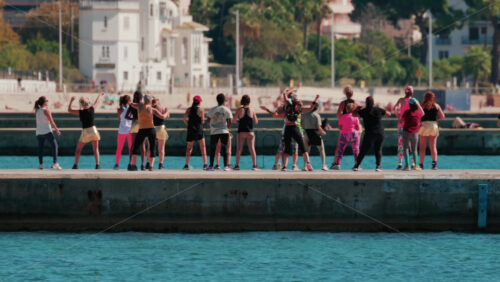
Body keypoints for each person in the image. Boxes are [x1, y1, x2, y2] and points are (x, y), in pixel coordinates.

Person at [263, 89, 318, 171]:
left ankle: (284, 166)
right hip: (295, 128)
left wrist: (289, 91)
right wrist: (315, 100)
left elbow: (284, 96)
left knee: (287, 148)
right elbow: (310, 108)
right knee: (302, 147)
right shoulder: (299, 108)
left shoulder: (287, 107)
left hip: (288, 128)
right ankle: (308, 164)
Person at [353, 96, 391, 172]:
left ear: (366, 103)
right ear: (373, 102)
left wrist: (359, 108)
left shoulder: (364, 111)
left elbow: (354, 114)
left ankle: (356, 166)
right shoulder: (378, 109)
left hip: (369, 133)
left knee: (363, 150)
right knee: (378, 149)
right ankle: (378, 166)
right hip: (380, 132)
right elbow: (388, 114)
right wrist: (381, 109)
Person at [68, 93, 104, 169]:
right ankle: (97, 165)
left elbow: (69, 110)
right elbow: (97, 102)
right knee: (96, 149)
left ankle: (76, 165)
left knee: (78, 149)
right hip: (93, 130)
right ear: (88, 103)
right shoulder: (92, 109)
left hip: (86, 132)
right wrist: (100, 95)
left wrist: (71, 101)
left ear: (82, 104)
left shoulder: (80, 112)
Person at [128, 95, 163, 171]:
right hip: (151, 129)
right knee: (152, 147)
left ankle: (134, 165)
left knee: (136, 146)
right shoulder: (152, 109)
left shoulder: (139, 107)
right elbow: (162, 116)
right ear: (150, 101)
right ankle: (151, 166)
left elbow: (131, 104)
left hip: (142, 129)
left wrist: (134, 101)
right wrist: (166, 113)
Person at [260, 105, 300, 170]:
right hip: (294, 132)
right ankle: (294, 165)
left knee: (281, 149)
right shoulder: (295, 112)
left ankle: (275, 165)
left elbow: (275, 115)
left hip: (286, 132)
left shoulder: (286, 113)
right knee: (294, 149)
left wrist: (267, 109)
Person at [332, 86, 359, 168]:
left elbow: (338, 114)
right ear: (352, 93)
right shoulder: (356, 103)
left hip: (344, 128)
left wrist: (342, 120)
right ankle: (357, 164)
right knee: (356, 148)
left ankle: (336, 163)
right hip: (354, 127)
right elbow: (358, 113)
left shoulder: (342, 103)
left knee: (339, 147)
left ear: (345, 93)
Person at [206, 93, 233, 171]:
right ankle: (226, 166)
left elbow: (208, 119)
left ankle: (211, 166)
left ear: (217, 100)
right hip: (224, 130)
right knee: (224, 148)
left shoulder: (213, 109)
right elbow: (230, 120)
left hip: (214, 131)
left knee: (213, 148)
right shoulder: (227, 109)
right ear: (224, 100)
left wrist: (212, 125)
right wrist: (227, 127)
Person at [418, 92, 445, 170]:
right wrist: (436, 119)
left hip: (424, 126)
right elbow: (443, 116)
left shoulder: (422, 106)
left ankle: (421, 165)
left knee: (422, 147)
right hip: (433, 126)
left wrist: (419, 123)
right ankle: (434, 165)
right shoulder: (437, 106)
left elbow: (418, 117)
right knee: (433, 147)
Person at [34, 96, 61, 170]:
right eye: (47, 100)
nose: (48, 101)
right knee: (55, 145)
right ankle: (55, 163)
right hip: (47, 131)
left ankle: (41, 165)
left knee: (40, 148)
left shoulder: (37, 110)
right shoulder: (46, 110)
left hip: (39, 132)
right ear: (44, 102)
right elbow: (52, 122)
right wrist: (57, 130)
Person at [233, 95, 259, 170]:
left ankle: (237, 166)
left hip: (241, 132)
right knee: (252, 149)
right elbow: (256, 122)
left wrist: (239, 121)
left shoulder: (239, 110)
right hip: (250, 132)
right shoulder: (252, 110)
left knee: (239, 149)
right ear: (249, 101)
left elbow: (234, 121)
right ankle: (254, 166)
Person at [183, 95, 207, 170]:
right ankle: (205, 164)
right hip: (199, 129)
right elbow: (202, 121)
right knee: (203, 148)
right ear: (199, 102)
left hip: (191, 130)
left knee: (189, 148)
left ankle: (186, 165)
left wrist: (188, 124)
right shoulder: (201, 110)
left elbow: (184, 118)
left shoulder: (189, 109)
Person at [301, 101, 327, 170]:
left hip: (306, 133)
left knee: (306, 151)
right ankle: (324, 165)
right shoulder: (316, 115)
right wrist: (323, 132)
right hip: (315, 134)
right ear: (317, 107)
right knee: (321, 150)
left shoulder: (304, 115)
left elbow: (300, 125)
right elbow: (318, 127)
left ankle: (305, 166)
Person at [394, 85, 415, 169]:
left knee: (401, 145)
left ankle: (400, 163)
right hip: (411, 125)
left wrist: (398, 116)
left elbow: (394, 108)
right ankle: (413, 163)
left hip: (401, 125)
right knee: (412, 144)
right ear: (412, 92)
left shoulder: (401, 100)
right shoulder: (413, 101)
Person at [400, 98, 424, 171]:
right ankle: (416, 166)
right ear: (416, 105)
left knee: (406, 149)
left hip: (406, 131)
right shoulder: (418, 113)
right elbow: (423, 113)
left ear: (410, 105)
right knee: (414, 149)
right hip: (415, 133)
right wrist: (418, 104)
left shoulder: (406, 112)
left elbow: (401, 121)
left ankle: (407, 166)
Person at [125, 91, 146, 170]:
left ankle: (131, 163)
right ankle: (143, 164)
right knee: (142, 146)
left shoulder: (132, 105)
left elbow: (127, 116)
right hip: (142, 125)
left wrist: (133, 118)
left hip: (134, 125)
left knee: (133, 145)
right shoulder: (142, 105)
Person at [114, 95, 132, 170]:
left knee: (119, 148)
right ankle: (131, 164)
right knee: (131, 148)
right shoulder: (131, 109)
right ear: (128, 101)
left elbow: (119, 118)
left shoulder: (119, 109)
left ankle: (117, 164)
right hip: (130, 131)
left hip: (121, 130)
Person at [152, 97, 170, 169]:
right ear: (158, 101)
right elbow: (167, 117)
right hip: (161, 128)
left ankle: (149, 163)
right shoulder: (162, 107)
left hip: (152, 128)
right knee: (161, 148)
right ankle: (161, 164)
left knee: (151, 147)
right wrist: (167, 112)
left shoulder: (150, 108)